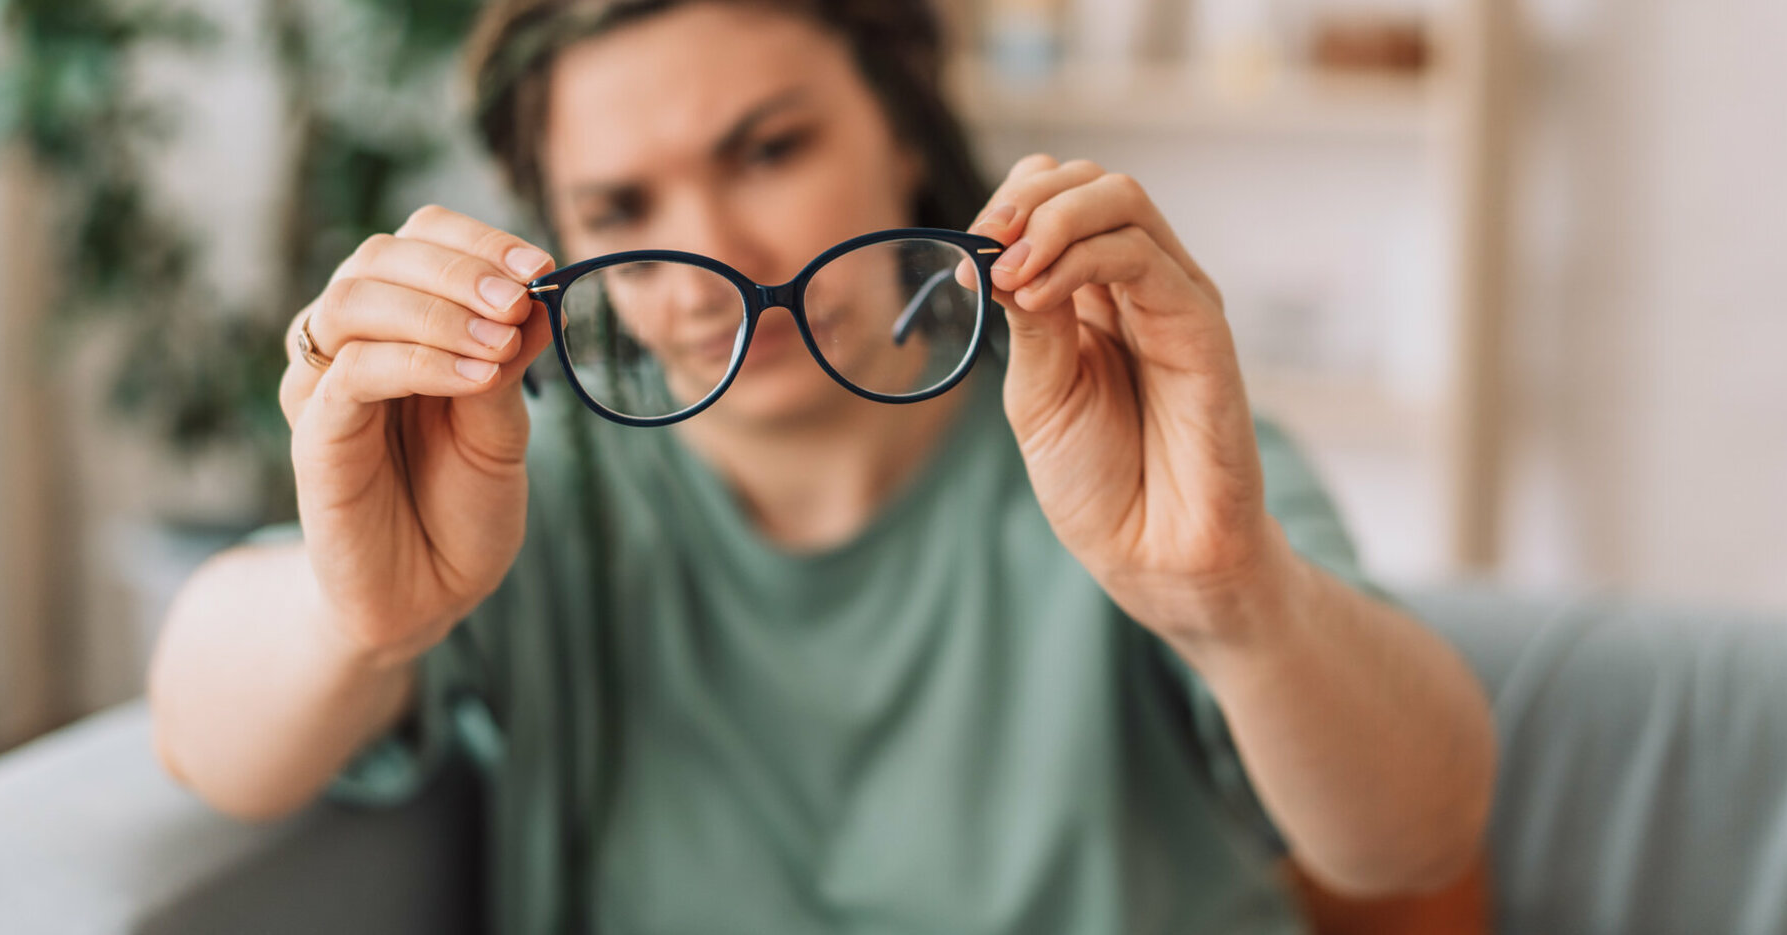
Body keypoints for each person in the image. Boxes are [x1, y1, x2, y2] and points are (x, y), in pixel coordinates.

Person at [149, 1, 1496, 932]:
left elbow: (1419, 835)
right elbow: (205, 732)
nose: (715, 256)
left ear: (902, 128)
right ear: (556, 237)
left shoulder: (1145, 455)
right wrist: (357, 617)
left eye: (771, 149)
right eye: (620, 208)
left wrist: (1232, 598)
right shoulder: (529, 494)